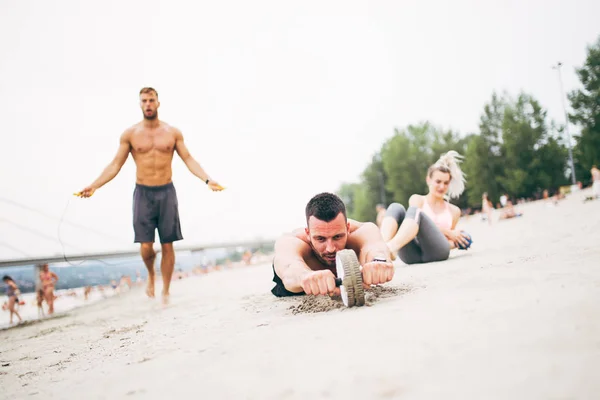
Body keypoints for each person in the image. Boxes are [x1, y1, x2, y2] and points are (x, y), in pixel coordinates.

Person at [77, 87, 224, 304]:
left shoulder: (172, 132)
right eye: (144, 100)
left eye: (151, 100)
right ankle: (151, 275)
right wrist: (94, 185)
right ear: (140, 104)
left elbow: (189, 159)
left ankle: (165, 290)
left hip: (166, 191)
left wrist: (207, 179)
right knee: (146, 246)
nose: (148, 104)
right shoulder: (130, 134)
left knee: (167, 243)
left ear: (158, 103)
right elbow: (115, 164)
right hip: (143, 193)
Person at [272, 192, 394, 297]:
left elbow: (376, 249)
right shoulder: (292, 241)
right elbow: (289, 269)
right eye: (320, 239)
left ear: (347, 228)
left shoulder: (362, 231)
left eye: (337, 237)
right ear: (308, 233)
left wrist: (378, 263)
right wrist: (306, 276)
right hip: (299, 289)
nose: (330, 248)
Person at [380, 151, 471, 265]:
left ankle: (391, 248)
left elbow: (448, 241)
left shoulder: (454, 211)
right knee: (395, 207)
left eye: (446, 183)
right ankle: (380, 249)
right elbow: (411, 224)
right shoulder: (417, 199)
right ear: (429, 180)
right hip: (412, 253)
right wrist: (450, 232)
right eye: (438, 181)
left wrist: (458, 241)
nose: (442, 186)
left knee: (416, 212)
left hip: (437, 252)